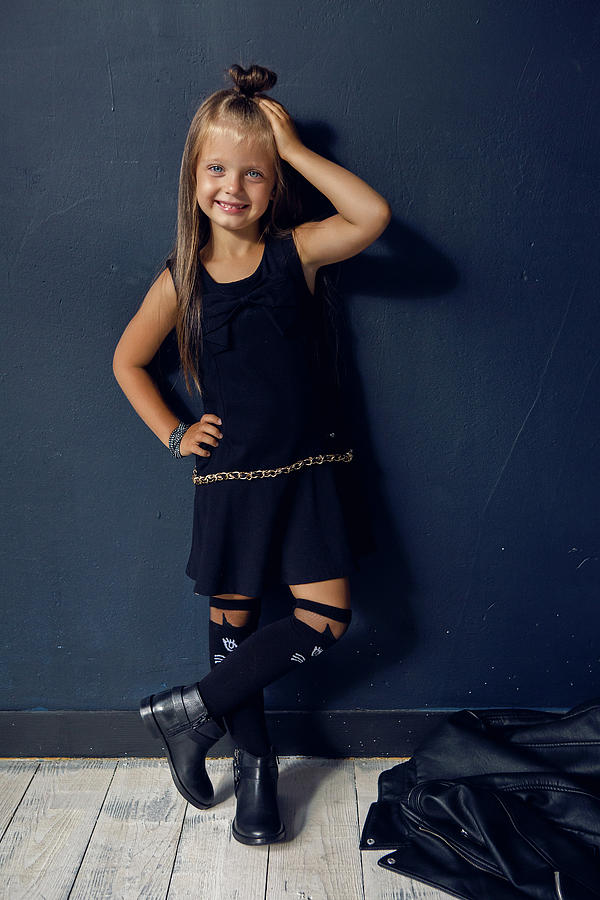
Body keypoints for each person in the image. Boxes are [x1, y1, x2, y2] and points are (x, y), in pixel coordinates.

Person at [112, 62, 391, 846]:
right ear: (193, 176)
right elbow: (127, 361)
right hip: (232, 479)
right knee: (233, 623)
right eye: (216, 169)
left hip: (309, 473)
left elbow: (370, 215)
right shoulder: (181, 281)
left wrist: (293, 144)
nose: (232, 186)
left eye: (254, 173)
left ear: (275, 184)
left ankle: (189, 712)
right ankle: (256, 770)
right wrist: (174, 430)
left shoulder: (296, 251)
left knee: (325, 618)